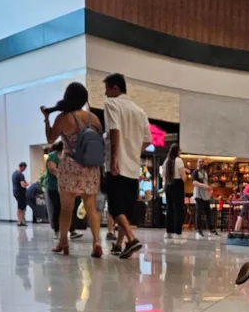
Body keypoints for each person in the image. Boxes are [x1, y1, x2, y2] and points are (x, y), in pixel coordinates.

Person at [41, 81, 103, 257]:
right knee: (91, 207)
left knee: (66, 208)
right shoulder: (94, 118)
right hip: (90, 167)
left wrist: (46, 119)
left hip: (70, 166)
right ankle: (97, 242)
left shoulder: (63, 118)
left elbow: (50, 139)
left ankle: (63, 242)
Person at [103, 73, 151, 258]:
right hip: (132, 166)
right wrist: (132, 151)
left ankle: (131, 239)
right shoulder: (139, 111)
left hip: (117, 165)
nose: (105, 94)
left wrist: (115, 157)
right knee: (125, 208)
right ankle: (118, 244)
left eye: (107, 89)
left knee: (115, 208)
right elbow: (147, 140)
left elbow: (114, 129)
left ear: (115, 88)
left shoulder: (111, 104)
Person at [44, 142, 82, 240]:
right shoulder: (52, 156)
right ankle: (57, 231)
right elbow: (52, 169)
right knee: (57, 208)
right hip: (53, 187)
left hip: (66, 187)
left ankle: (72, 230)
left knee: (69, 208)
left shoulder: (69, 156)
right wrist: (62, 176)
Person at [162, 144, 187, 239]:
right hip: (177, 185)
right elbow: (183, 177)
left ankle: (169, 232)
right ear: (177, 151)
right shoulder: (179, 160)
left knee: (170, 209)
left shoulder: (166, 161)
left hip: (168, 185)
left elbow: (163, 175)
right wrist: (186, 176)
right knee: (178, 209)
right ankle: (178, 233)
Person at [192, 158, 215, 238]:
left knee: (208, 212)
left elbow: (206, 182)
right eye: (199, 162)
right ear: (197, 163)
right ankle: (198, 229)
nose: (201, 163)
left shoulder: (205, 173)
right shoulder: (195, 172)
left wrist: (209, 188)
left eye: (202, 162)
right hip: (198, 195)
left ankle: (211, 229)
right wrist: (203, 185)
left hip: (205, 196)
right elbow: (194, 182)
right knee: (199, 212)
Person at [11, 162, 28, 227]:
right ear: (22, 167)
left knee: (20, 207)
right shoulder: (20, 174)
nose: (25, 169)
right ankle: (20, 221)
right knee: (21, 208)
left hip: (15, 192)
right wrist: (28, 183)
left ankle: (20, 220)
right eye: (25, 168)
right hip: (21, 193)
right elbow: (23, 185)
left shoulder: (14, 173)